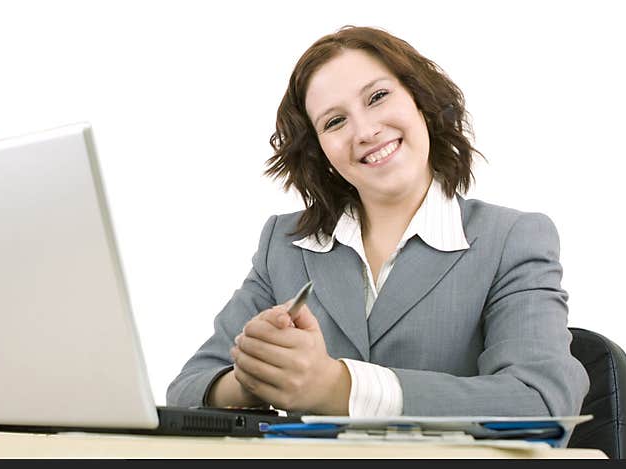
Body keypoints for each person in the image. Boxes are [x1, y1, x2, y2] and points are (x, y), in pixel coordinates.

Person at [166, 25, 589, 418]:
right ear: (321, 153)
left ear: (419, 101)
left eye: (377, 97)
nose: (365, 130)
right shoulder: (285, 244)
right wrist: (256, 377)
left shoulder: (511, 240)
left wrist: (338, 388)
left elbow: (541, 402)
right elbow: (187, 389)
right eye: (335, 122)